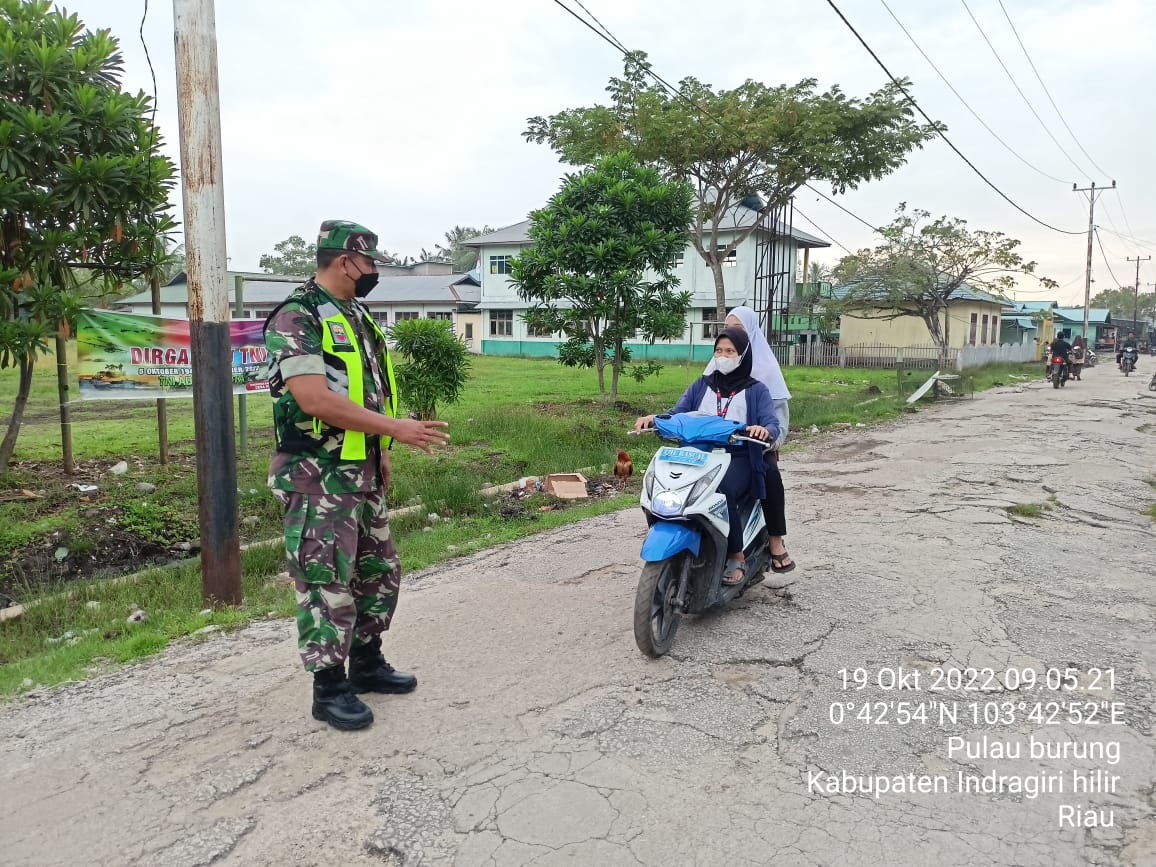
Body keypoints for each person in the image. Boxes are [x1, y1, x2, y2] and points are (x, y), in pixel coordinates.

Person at [263, 220, 451, 732]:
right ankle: (330, 688)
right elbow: (314, 399)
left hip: (362, 470)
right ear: (346, 261)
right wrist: (397, 428)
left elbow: (368, 388)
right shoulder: (297, 316)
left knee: (377, 572)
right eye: (370, 264)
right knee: (326, 580)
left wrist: (383, 447)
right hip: (316, 476)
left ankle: (367, 664)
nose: (373, 273)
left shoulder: (356, 316)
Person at [634, 327, 778, 586]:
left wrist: (764, 429)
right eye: (719, 351)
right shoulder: (702, 385)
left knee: (722, 492)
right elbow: (678, 412)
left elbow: (771, 423)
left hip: (738, 456)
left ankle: (736, 555)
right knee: (671, 485)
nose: (723, 356)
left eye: (730, 351)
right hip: (698, 454)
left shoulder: (757, 391)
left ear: (743, 355)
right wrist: (654, 419)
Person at [702, 306, 796, 573]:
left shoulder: (765, 373)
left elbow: (778, 424)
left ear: (751, 332)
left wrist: (766, 437)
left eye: (739, 329)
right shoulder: (712, 371)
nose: (730, 335)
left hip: (755, 447)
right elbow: (692, 407)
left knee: (769, 478)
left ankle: (775, 542)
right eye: (727, 328)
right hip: (716, 446)